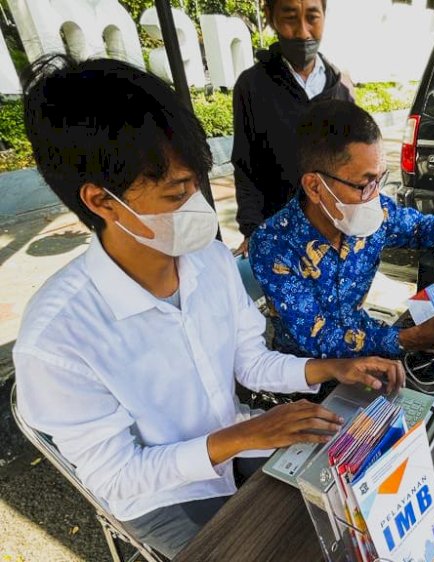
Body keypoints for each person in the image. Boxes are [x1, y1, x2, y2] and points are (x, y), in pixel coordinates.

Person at [13, 56, 404, 559]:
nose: (197, 203)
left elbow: (249, 359)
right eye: (177, 192)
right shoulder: (57, 339)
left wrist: (333, 367)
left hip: (233, 442)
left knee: (353, 504)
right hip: (161, 496)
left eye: (197, 181)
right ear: (102, 201)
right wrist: (244, 435)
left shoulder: (208, 259)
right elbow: (119, 473)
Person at [250, 99, 434, 359]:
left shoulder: (376, 210)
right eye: (364, 184)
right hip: (307, 377)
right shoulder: (273, 245)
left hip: (371, 342)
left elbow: (420, 226)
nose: (375, 196)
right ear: (315, 187)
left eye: (379, 179)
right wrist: (414, 338)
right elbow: (319, 339)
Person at [232, 0, 353, 253]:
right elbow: (245, 168)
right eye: (289, 18)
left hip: (335, 237)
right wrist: (254, 233)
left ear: (324, 15)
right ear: (270, 16)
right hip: (280, 242)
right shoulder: (252, 87)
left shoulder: (340, 90)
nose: (303, 32)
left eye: (312, 17)